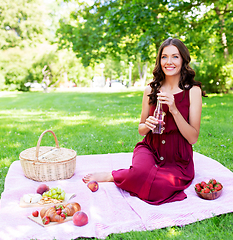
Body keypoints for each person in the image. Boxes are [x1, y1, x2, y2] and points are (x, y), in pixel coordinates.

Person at [83, 38, 206, 205]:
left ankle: (122, 176)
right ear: (159, 60)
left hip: (178, 158)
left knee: (161, 186)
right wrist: (147, 124)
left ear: (183, 59)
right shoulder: (150, 90)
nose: (169, 62)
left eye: (175, 57)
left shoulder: (193, 91)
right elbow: (141, 130)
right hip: (151, 148)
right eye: (164, 57)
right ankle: (112, 175)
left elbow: (193, 138)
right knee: (140, 173)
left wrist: (174, 110)